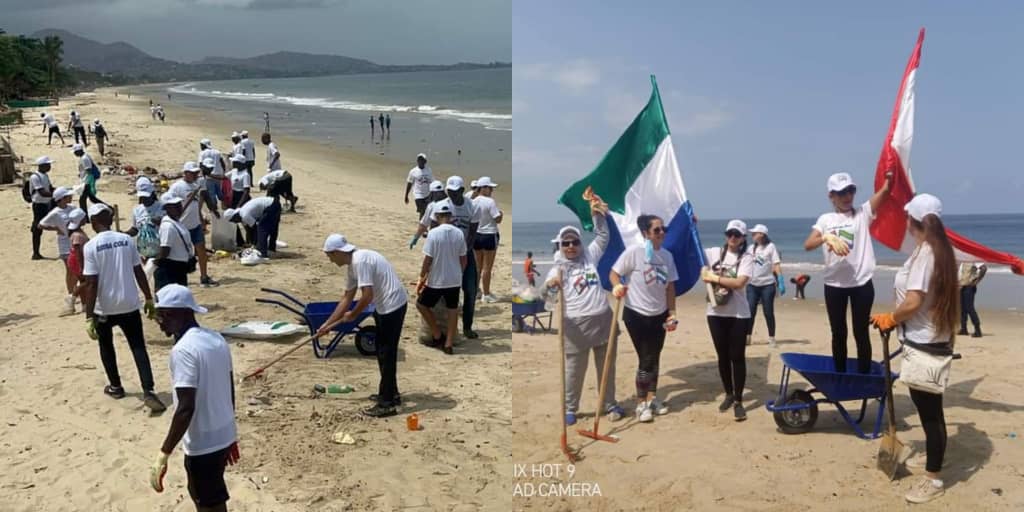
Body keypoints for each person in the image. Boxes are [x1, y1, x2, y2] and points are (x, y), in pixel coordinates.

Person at [869, 194, 958, 504]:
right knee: (931, 411)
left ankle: (933, 481)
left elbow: (914, 300)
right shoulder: (937, 250)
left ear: (913, 222)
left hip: (924, 343)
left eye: (907, 218)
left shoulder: (927, 255)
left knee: (931, 415)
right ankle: (937, 458)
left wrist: (891, 317)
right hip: (930, 338)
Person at [150, 284, 239, 511]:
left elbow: (185, 408)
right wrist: (229, 435)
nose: (160, 323)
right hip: (222, 433)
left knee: (207, 501)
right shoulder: (216, 338)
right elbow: (229, 390)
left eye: (162, 316)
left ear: (179, 313)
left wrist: (164, 452)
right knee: (211, 496)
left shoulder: (183, 351)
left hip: (204, 444)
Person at [546, 195, 626, 426]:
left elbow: (603, 236)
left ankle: (609, 403)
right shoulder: (557, 268)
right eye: (566, 243)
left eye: (574, 242)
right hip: (575, 326)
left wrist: (596, 214)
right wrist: (551, 287)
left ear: (580, 243)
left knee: (607, 367)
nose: (571, 247)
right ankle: (571, 407)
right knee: (574, 371)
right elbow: (548, 300)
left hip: (602, 320)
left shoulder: (590, 256)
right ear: (560, 246)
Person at [804, 171, 893, 373]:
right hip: (834, 285)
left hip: (861, 283)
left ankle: (863, 377)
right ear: (831, 196)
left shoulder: (863, 214)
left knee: (861, 332)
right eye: (841, 192)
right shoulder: (826, 219)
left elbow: (885, 191)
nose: (847, 196)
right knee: (838, 332)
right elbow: (808, 244)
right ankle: (840, 374)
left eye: (850, 190)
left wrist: (889, 175)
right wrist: (825, 238)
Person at [80, 204, 165, 412]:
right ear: (109, 220)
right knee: (138, 347)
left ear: (93, 222)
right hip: (129, 304)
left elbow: (91, 283)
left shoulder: (91, 246)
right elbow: (139, 272)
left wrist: (89, 316)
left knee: (107, 347)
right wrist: (148, 297)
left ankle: (116, 386)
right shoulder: (126, 240)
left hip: (104, 308)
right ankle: (149, 390)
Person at [319, 234, 408, 417]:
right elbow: (347, 298)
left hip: (393, 305)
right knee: (382, 351)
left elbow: (367, 295)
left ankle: (387, 404)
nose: (330, 260)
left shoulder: (360, 261)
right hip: (382, 305)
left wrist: (353, 314)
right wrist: (327, 325)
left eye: (330, 255)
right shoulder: (352, 266)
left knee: (387, 352)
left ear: (337, 252)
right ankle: (390, 393)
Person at [609, 214, 679, 423]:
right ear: (645, 233)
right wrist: (617, 286)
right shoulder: (634, 252)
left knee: (654, 357)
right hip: (636, 314)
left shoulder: (666, 256)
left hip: (659, 314)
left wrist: (672, 313)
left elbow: (670, 286)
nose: (661, 233)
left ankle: (652, 398)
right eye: (656, 230)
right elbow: (614, 273)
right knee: (646, 359)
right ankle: (641, 404)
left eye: (663, 229)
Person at [701, 220, 756, 421]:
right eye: (730, 233)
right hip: (715, 313)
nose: (733, 238)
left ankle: (739, 401)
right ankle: (729, 394)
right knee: (722, 356)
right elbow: (693, 247)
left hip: (738, 315)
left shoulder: (747, 257)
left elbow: (740, 282)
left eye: (737, 235)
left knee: (737, 357)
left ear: (743, 238)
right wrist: (691, 223)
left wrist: (714, 278)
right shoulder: (714, 252)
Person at [416, 201, 466, 354]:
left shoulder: (433, 233)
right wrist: (459, 273)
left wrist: (422, 277)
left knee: (421, 305)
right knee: (453, 310)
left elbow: (427, 260)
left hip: (437, 280)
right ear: (450, 216)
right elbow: (463, 259)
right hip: (454, 279)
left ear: (437, 216)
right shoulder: (459, 233)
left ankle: (437, 334)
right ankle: (448, 343)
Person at [168, 161, 218, 287]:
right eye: (193, 173)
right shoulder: (177, 187)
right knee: (180, 253)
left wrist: (212, 210)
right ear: (186, 173)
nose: (196, 175)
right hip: (182, 226)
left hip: (195, 224)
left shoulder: (199, 184)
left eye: (197, 173)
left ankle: (204, 276)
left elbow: (205, 197)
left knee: (201, 250)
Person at [37, 187, 78, 314]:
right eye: (67, 196)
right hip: (64, 244)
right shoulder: (55, 212)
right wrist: (55, 228)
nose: (70, 198)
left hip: (75, 241)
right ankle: (71, 293)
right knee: (69, 270)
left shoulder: (73, 208)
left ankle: (76, 292)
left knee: (77, 269)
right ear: (61, 199)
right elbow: (40, 224)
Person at [746, 224, 783, 346]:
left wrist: (781, 280)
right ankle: (748, 337)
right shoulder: (751, 248)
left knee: (768, 312)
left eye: (755, 233)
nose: (752, 235)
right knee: (750, 311)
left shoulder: (771, 247)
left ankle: (772, 338)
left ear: (762, 234)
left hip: (767, 285)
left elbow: (776, 264)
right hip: (752, 285)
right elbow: (744, 263)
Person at [154, 194, 194, 291]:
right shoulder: (168, 227)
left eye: (179, 204)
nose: (179, 207)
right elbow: (165, 250)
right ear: (167, 208)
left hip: (179, 268)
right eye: (175, 205)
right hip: (171, 269)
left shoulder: (176, 222)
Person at [472, 176, 502, 303]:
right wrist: (501, 214)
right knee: (487, 268)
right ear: (483, 188)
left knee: (478, 267)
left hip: (476, 235)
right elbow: (497, 219)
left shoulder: (473, 201)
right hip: (489, 235)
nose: (491, 190)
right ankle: (486, 293)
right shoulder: (490, 202)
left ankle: (475, 291)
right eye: (490, 188)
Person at [223, 195, 281, 259]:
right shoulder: (242, 212)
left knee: (261, 228)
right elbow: (249, 230)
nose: (235, 222)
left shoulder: (244, 215)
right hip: (275, 203)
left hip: (270, 206)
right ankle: (271, 249)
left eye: (233, 220)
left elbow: (255, 229)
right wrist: (251, 243)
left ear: (234, 216)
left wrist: (255, 244)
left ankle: (262, 253)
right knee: (273, 227)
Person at [28, 156, 55, 260]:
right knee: (37, 228)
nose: (50, 166)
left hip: (47, 203)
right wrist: (55, 195)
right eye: (48, 165)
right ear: (42, 166)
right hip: (39, 205)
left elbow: (50, 188)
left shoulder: (45, 176)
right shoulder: (35, 177)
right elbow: (42, 193)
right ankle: (36, 253)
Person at [74, 143, 109, 215]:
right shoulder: (84, 157)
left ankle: (85, 216)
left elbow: (89, 170)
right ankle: (108, 208)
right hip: (86, 180)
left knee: (82, 200)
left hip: (87, 181)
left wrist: (86, 182)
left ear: (78, 151)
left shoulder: (85, 158)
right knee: (92, 199)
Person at [67, 208, 89, 314]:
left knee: (82, 281)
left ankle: (84, 305)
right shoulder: (77, 235)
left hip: (77, 259)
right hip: (77, 260)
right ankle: (72, 297)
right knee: (86, 281)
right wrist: (81, 266)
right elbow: (77, 251)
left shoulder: (78, 232)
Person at [228, 154, 252, 246]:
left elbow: (246, 191)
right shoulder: (234, 171)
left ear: (240, 163)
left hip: (242, 198)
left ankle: (249, 241)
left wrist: (239, 205)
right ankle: (240, 241)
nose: (233, 163)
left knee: (245, 221)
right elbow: (223, 177)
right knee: (233, 220)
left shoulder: (245, 175)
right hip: (234, 197)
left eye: (235, 162)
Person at [957, 262, 986, 337]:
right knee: (962, 308)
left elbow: (983, 268)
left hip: (969, 287)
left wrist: (977, 281)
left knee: (969, 308)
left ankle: (978, 330)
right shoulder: (962, 260)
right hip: (961, 286)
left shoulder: (973, 259)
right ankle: (964, 329)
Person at [198, 140, 228, 209]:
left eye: (201, 145)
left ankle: (214, 207)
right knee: (219, 191)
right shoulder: (217, 152)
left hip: (209, 176)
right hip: (218, 175)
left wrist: (203, 174)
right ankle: (223, 205)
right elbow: (222, 162)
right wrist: (224, 171)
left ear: (204, 145)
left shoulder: (202, 153)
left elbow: (201, 164)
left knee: (212, 193)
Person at [405, 153, 433, 218]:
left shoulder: (429, 170)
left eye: (422, 160)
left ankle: (422, 224)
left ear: (425, 161)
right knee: (422, 210)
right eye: (419, 159)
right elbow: (409, 183)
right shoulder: (413, 171)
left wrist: (433, 193)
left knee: (426, 211)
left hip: (427, 194)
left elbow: (432, 182)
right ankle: (422, 225)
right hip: (417, 194)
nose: (420, 161)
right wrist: (406, 195)